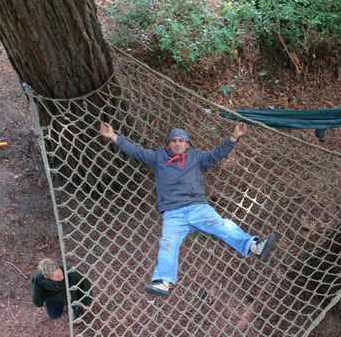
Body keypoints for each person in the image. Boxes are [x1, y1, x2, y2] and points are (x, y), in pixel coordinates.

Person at [99, 121, 276, 297]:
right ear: (169, 144)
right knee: (168, 242)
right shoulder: (158, 157)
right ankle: (163, 281)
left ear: (187, 144)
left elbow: (217, 154)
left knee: (223, 226)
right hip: (173, 213)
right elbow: (136, 151)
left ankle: (253, 246)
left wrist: (234, 137)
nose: (177, 143)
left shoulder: (195, 157)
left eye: (181, 140)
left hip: (197, 207)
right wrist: (113, 136)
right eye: (174, 140)